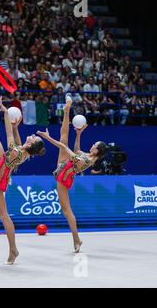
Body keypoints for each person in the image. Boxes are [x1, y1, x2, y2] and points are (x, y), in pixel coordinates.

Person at [0, 85, 46, 265]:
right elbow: (16, 141)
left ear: (31, 145)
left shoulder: (18, 152)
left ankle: (13, 249)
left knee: (4, 215)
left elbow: (10, 137)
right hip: (0, 167)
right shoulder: (22, 151)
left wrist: (5, 114)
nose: (32, 136)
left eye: (34, 138)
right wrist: (15, 127)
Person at [36, 96, 108, 252]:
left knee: (67, 211)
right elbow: (76, 150)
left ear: (97, 150)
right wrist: (79, 134)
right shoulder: (88, 156)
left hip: (64, 177)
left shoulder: (88, 161)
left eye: (95, 145)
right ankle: (67, 109)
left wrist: (47, 137)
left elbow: (66, 148)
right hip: (64, 167)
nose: (92, 145)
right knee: (63, 138)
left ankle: (76, 239)